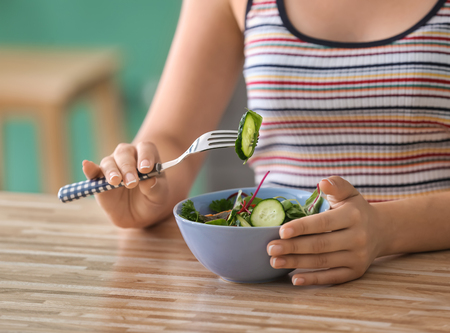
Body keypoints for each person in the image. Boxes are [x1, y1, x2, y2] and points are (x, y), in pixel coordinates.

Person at [82, 0, 450, 286]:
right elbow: (175, 137)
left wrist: (386, 229)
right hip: (277, 285)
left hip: (428, 280)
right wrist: (148, 186)